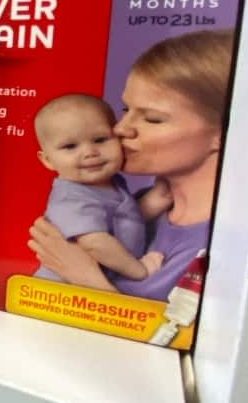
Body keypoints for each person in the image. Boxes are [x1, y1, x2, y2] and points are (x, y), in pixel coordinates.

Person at [29, 30, 234, 301]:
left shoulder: (223, 244)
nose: (120, 129)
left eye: (151, 119)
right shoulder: (138, 204)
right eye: (126, 110)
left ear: (224, 131)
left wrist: (87, 278)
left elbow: (175, 339)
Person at [32, 93, 170, 282]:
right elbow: (96, 244)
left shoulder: (111, 184)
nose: (90, 152)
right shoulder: (70, 199)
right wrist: (139, 270)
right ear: (47, 160)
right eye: (70, 146)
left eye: (100, 140)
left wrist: (155, 201)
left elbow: (121, 221)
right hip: (61, 293)